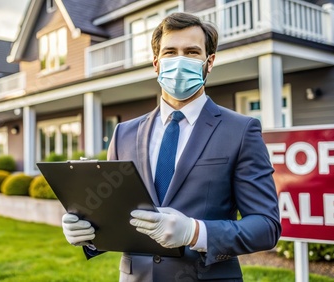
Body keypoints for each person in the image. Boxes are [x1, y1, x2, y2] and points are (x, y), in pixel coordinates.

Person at [62, 12, 281, 281]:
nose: (180, 61)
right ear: (156, 63)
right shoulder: (124, 134)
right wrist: (89, 234)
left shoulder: (241, 130)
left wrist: (194, 232)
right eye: (170, 52)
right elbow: (117, 215)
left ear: (209, 62)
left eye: (191, 52)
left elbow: (265, 226)